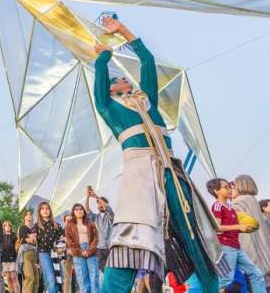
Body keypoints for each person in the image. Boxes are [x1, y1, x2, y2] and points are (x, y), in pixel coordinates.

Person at [93, 17, 224, 293]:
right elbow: (99, 90)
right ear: (111, 90)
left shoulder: (147, 100)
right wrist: (103, 57)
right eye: (115, 79)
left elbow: (147, 62)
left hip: (171, 175)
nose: (121, 78)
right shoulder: (111, 111)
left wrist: (124, 32)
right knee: (131, 241)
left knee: (193, 237)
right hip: (140, 181)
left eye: (122, 77)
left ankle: (210, 286)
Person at [206, 178, 266, 292]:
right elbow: (217, 228)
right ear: (216, 191)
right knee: (226, 281)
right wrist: (239, 227)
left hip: (236, 247)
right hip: (226, 247)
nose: (229, 189)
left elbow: (230, 228)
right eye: (225, 187)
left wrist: (243, 229)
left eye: (229, 187)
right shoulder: (217, 206)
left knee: (256, 274)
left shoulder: (230, 208)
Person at [230, 175, 270, 291]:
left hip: (253, 255)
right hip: (266, 255)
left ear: (241, 186)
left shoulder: (239, 203)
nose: (230, 190)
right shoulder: (252, 199)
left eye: (232, 187)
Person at [65, 203, 99, 293]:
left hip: (91, 250)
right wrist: (80, 251)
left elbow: (95, 237)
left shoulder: (90, 223)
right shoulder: (69, 224)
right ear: (73, 212)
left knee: (94, 276)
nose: (79, 211)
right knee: (82, 278)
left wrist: (89, 251)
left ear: (84, 211)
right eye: (76, 209)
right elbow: (70, 241)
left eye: (81, 209)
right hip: (78, 252)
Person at [83, 187, 113, 275]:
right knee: (102, 272)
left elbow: (108, 209)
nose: (100, 205)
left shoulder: (111, 216)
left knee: (110, 271)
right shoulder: (95, 217)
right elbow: (87, 210)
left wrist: (96, 197)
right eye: (98, 204)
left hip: (109, 248)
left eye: (101, 203)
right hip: (99, 249)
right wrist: (88, 197)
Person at [36, 202, 63, 293]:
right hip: (43, 253)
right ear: (39, 211)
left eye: (47, 208)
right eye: (42, 209)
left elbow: (63, 238)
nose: (45, 210)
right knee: (50, 278)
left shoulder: (56, 225)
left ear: (50, 211)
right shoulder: (36, 226)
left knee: (57, 278)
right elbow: (32, 241)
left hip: (55, 254)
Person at [16, 210, 38, 293]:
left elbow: (36, 241)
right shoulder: (22, 228)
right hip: (25, 254)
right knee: (29, 277)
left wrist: (32, 237)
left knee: (36, 279)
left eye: (30, 214)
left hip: (35, 254)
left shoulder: (34, 228)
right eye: (27, 215)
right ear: (24, 217)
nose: (29, 216)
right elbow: (29, 241)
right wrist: (31, 237)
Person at [0, 221, 19, 293]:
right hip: (4, 259)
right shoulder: (1, 236)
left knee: (13, 277)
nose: (8, 227)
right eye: (6, 226)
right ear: (3, 227)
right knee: (8, 278)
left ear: (11, 227)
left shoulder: (14, 236)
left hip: (13, 258)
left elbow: (17, 248)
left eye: (9, 226)